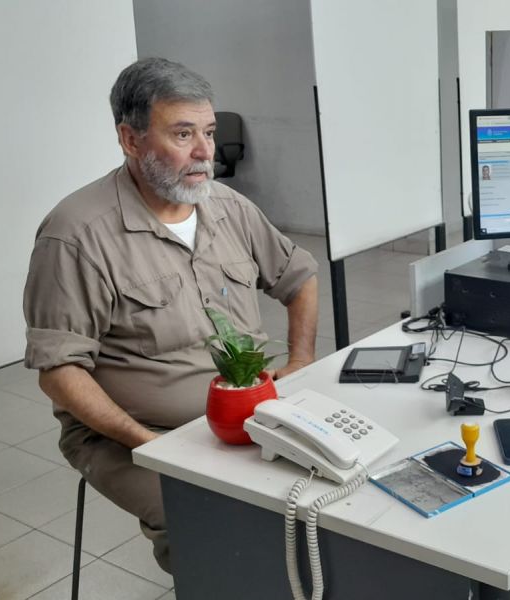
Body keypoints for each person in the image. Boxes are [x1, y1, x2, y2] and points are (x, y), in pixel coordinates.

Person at [22, 58, 320, 572]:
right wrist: (150, 444)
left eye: (208, 131)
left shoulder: (228, 206)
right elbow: (59, 371)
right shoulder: (76, 234)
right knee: (214, 528)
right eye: (183, 134)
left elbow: (300, 277)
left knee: (330, 500)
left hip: (250, 411)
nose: (205, 151)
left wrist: (299, 360)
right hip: (136, 432)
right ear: (130, 139)